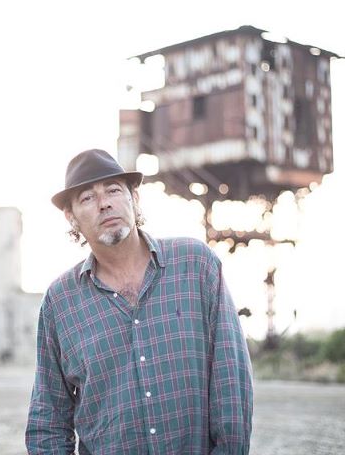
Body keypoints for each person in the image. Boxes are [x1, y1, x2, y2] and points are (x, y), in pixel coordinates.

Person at [26, 149, 253, 454]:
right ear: (72, 217)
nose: (104, 203)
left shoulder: (196, 265)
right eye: (87, 198)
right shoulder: (60, 301)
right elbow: (48, 418)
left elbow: (231, 382)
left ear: (134, 198)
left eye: (113, 190)